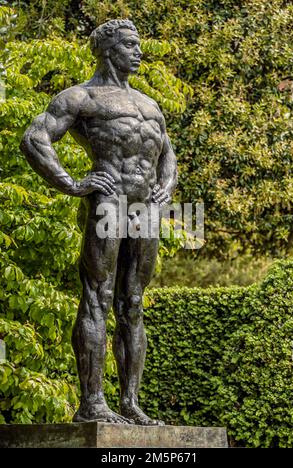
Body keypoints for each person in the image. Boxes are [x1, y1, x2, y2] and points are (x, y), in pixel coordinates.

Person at [21, 19, 177, 425]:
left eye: (138, 44)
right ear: (109, 50)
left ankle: (130, 403)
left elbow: (167, 154)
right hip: (108, 202)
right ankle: (92, 403)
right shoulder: (81, 97)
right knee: (98, 297)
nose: (138, 51)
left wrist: (166, 188)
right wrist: (71, 183)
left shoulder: (149, 104)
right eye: (129, 44)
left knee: (134, 303)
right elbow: (35, 138)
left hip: (144, 208)